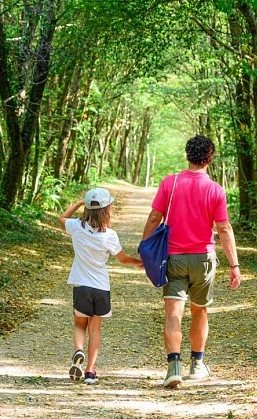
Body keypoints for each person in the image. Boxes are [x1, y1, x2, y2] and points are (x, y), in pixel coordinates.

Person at [141, 135, 241, 388]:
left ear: (187, 155)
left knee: (173, 313)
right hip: (203, 259)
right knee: (199, 310)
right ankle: (197, 364)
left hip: (173, 258)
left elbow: (154, 217)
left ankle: (173, 366)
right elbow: (224, 228)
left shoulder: (170, 183)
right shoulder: (215, 189)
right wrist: (234, 265)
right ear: (210, 158)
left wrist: (146, 248)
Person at [59, 188, 142, 384]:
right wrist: (141, 262)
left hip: (81, 285)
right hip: (101, 288)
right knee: (95, 329)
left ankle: (78, 351)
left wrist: (79, 203)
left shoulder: (76, 227)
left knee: (80, 324)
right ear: (107, 210)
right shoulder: (109, 235)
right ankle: (90, 372)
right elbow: (123, 259)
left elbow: (61, 218)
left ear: (87, 209)